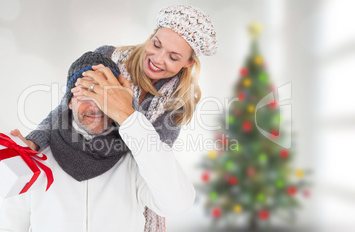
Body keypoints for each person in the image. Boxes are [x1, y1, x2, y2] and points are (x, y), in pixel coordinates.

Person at [23, 4, 218, 231]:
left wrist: (126, 109)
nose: (157, 58)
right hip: (71, 166)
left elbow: (153, 159)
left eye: (173, 57)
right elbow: (67, 108)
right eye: (156, 44)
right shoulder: (108, 57)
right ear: (151, 36)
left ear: (188, 63)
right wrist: (33, 142)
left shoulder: (176, 103)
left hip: (122, 186)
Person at [0, 51, 195, 232]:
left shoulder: (135, 159)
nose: (96, 107)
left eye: (104, 96)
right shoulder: (37, 159)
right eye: (86, 93)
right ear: (70, 101)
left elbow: (177, 203)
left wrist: (129, 118)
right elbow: (7, 224)